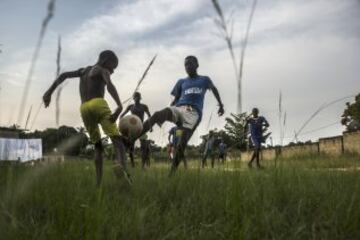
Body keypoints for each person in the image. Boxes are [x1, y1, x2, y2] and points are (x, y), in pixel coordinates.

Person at [42, 50, 131, 186]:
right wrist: (119, 106)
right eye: (113, 67)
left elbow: (64, 75)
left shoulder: (83, 71)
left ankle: (98, 183)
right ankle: (121, 169)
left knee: (97, 146)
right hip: (98, 104)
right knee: (117, 140)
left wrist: (48, 92)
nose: (112, 71)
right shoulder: (102, 69)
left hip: (84, 108)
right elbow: (110, 86)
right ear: (105, 60)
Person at [139, 55, 224, 175]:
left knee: (182, 143)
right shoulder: (181, 82)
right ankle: (133, 137)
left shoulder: (204, 79)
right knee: (158, 114)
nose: (187, 66)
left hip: (193, 113)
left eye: (190, 64)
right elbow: (175, 99)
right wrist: (169, 110)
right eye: (185, 64)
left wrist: (221, 105)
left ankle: (172, 173)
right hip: (179, 108)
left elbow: (214, 89)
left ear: (197, 65)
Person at [120, 92, 151, 168]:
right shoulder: (130, 107)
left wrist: (151, 126)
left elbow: (149, 116)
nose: (137, 99)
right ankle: (132, 164)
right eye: (135, 97)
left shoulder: (144, 106)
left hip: (142, 128)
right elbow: (122, 115)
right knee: (131, 147)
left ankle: (143, 165)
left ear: (140, 98)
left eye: (138, 97)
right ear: (133, 98)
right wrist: (122, 124)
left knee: (143, 147)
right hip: (132, 129)